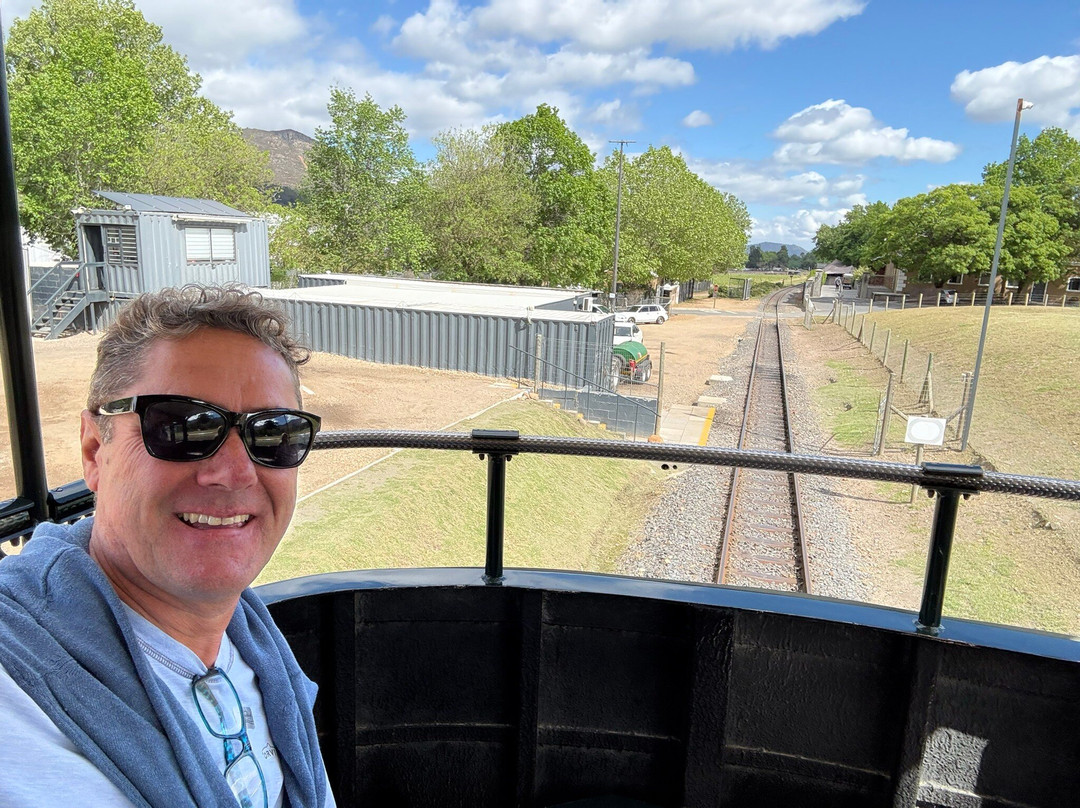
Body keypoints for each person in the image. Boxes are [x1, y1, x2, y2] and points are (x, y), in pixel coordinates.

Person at [0, 286, 335, 808]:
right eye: (182, 427)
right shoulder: (17, 682)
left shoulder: (253, 646)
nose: (234, 472)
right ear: (94, 450)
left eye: (273, 433)